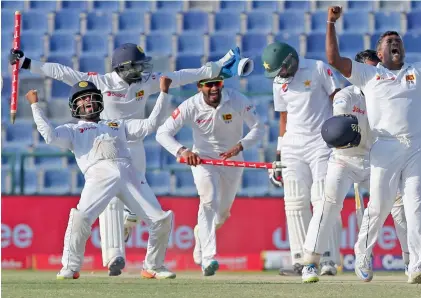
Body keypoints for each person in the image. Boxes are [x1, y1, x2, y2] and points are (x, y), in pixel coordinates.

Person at [9, 44, 245, 276]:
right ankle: (113, 256)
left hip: (134, 140)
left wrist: (215, 68)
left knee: (135, 208)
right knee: (109, 200)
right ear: (122, 68)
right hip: (105, 141)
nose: (142, 71)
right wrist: (27, 63)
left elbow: (181, 76)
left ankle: (129, 229)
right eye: (136, 66)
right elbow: (63, 73)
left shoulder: (145, 81)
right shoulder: (102, 82)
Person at [324, 6, 421, 283]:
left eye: (398, 41)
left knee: (417, 205)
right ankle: (363, 253)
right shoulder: (369, 75)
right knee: (379, 206)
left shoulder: (419, 72)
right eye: (388, 42)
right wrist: (331, 22)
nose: (395, 43)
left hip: (416, 147)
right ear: (379, 53)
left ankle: (417, 264)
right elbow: (333, 58)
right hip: (384, 146)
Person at [27, 77, 176, 280]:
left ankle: (153, 266)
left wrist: (164, 93)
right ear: (74, 106)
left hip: (129, 173)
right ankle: (70, 267)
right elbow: (50, 136)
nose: (87, 101)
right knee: (80, 218)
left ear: (99, 100)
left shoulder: (117, 124)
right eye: (81, 99)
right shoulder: (72, 130)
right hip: (98, 176)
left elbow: (151, 125)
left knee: (161, 220)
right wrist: (35, 105)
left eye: (90, 97)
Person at [301, 49, 421, 283]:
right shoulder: (346, 96)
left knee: (398, 205)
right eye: (366, 68)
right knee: (329, 204)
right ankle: (311, 263)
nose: (371, 72)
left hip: (376, 160)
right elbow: (339, 124)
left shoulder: (386, 93)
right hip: (344, 159)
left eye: (375, 67)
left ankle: (411, 262)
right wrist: (348, 132)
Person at [155, 76, 265, 276]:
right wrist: (183, 151)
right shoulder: (190, 105)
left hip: (233, 160)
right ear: (199, 87)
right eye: (209, 84)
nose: (214, 88)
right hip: (203, 160)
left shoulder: (236, 99)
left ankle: (201, 234)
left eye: (218, 83)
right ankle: (208, 258)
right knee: (208, 201)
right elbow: (163, 133)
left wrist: (241, 145)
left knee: (222, 214)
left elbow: (259, 127)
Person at [262, 42, 342, 276]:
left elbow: (338, 99)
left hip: (322, 143)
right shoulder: (279, 82)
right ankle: (300, 260)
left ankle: (327, 259)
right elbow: (284, 118)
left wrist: (342, 134)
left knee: (322, 199)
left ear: (290, 61)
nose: (280, 77)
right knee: (295, 202)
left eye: (281, 70)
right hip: (293, 146)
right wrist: (279, 152)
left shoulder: (318, 68)